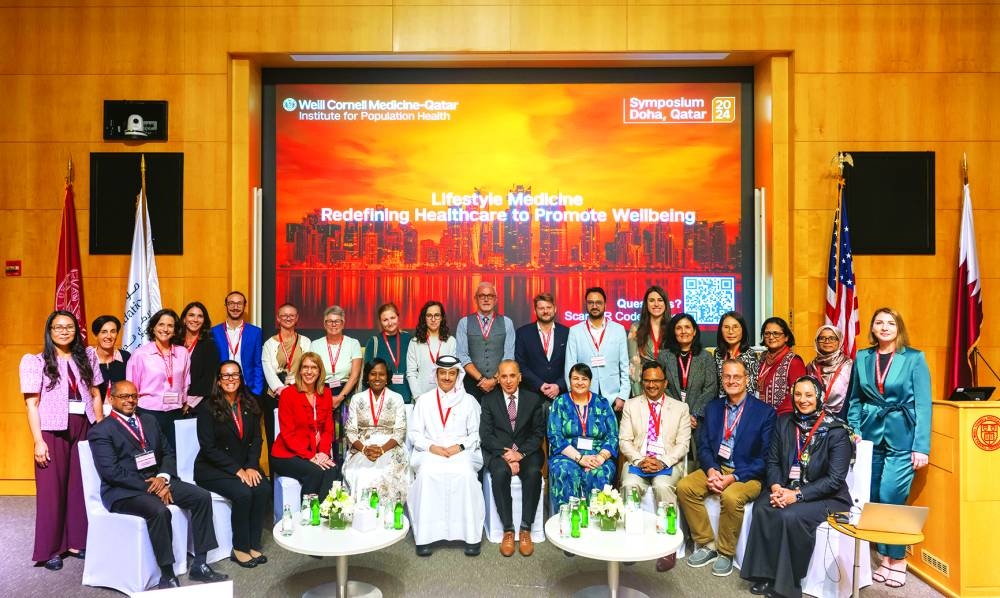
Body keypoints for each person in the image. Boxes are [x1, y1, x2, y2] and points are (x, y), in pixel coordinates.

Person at [88, 381, 227, 589]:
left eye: (134, 396)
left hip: (159, 480)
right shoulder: (101, 431)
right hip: (123, 491)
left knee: (201, 497)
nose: (130, 400)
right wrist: (151, 487)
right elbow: (112, 472)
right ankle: (167, 574)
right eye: (124, 396)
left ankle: (200, 564)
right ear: (111, 399)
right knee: (159, 511)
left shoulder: (149, 420)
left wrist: (163, 478)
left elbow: (168, 453)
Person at [741, 375, 855, 598]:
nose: (803, 400)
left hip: (826, 496)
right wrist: (775, 487)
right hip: (786, 487)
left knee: (789, 516)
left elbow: (834, 479)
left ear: (819, 397)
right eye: (798, 395)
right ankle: (764, 575)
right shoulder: (784, 422)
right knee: (763, 507)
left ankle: (787, 586)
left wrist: (797, 495)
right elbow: (772, 461)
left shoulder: (837, 431)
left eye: (809, 395)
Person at [847, 307, 931, 589]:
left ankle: (898, 559)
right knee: (873, 498)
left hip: (903, 438)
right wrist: (855, 429)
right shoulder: (862, 357)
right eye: (879, 322)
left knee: (892, 494)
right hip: (870, 437)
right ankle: (883, 556)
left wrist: (921, 447)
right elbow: (855, 399)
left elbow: (922, 405)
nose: (884, 327)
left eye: (890, 322)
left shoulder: (914, 358)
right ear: (871, 328)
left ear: (899, 327)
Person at [20, 310, 104, 570]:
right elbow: (31, 404)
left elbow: (96, 394)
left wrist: (99, 427)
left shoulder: (87, 356)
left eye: (69, 327)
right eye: (58, 327)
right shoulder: (35, 361)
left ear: (76, 330)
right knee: (51, 491)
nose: (64, 331)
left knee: (80, 485)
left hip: (83, 425)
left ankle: (77, 540)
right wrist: (38, 441)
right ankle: (51, 548)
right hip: (51, 429)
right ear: (50, 331)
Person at [676, 359, 775, 578]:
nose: (732, 381)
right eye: (727, 377)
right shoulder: (713, 408)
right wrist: (711, 470)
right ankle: (707, 544)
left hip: (748, 473)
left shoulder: (764, 412)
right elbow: (704, 446)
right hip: (718, 467)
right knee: (684, 487)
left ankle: (726, 553)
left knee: (730, 497)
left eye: (737, 377)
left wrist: (734, 477)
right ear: (722, 380)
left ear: (746, 380)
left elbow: (766, 458)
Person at [194, 361, 271, 569]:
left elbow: (257, 440)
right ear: (218, 381)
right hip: (212, 469)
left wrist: (252, 466)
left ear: (240, 378)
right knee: (244, 493)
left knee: (263, 488)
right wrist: (237, 470)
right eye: (226, 376)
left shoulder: (250, 403)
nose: (231, 379)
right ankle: (239, 548)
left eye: (235, 375)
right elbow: (208, 448)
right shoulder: (207, 408)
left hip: (245, 466)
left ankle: (253, 544)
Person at [407, 355, 485, 557]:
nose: (447, 378)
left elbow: (476, 434)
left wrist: (459, 446)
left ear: (458, 375)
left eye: (452, 373)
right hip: (430, 451)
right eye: (443, 373)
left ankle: (470, 536)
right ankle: (425, 537)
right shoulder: (424, 401)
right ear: (437, 375)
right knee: (426, 476)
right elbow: (415, 434)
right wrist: (432, 447)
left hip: (461, 452)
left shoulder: (469, 401)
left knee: (465, 475)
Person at [619, 361, 691, 572]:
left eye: (656, 381)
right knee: (630, 485)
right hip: (639, 461)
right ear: (642, 382)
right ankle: (631, 539)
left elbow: (683, 443)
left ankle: (668, 546)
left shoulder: (680, 408)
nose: (651, 385)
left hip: (667, 462)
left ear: (665, 382)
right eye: (647, 380)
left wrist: (663, 461)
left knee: (662, 486)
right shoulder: (632, 405)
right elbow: (624, 440)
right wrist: (641, 460)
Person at [479, 360, 546, 557]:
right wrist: (507, 455)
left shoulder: (533, 399)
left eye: (512, 376)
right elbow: (486, 434)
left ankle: (525, 529)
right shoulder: (489, 401)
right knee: (499, 473)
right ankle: (508, 530)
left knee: (534, 473)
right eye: (504, 376)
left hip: (528, 452)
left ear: (520, 377)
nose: (509, 381)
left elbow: (538, 433)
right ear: (498, 379)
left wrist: (520, 454)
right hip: (499, 452)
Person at [547, 363, 619, 514]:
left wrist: (600, 457)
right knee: (565, 471)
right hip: (566, 455)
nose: (580, 382)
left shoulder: (602, 403)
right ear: (569, 381)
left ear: (590, 382)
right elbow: (555, 436)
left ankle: (596, 521)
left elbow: (613, 435)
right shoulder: (560, 403)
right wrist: (579, 458)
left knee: (598, 473)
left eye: (584, 379)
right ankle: (568, 519)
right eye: (575, 378)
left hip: (597, 455)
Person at [271, 352, 339, 498]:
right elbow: (287, 434)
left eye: (314, 367)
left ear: (319, 371)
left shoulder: (326, 393)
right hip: (286, 454)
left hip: (314, 453)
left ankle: (323, 514)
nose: (309, 371)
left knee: (332, 469)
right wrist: (311, 457)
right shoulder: (288, 394)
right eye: (305, 367)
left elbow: (328, 429)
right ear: (300, 370)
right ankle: (308, 515)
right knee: (315, 471)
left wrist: (323, 453)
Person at [343, 358, 411, 501]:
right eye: (373, 374)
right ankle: (362, 515)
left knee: (386, 470)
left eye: (382, 374)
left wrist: (381, 450)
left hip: (390, 445)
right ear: (367, 377)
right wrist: (364, 450)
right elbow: (350, 431)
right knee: (362, 472)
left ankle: (388, 516)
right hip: (362, 445)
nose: (377, 378)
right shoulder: (357, 398)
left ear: (387, 377)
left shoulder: (397, 398)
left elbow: (399, 431)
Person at [126, 308, 191, 449]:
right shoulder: (140, 354)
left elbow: (186, 381)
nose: (165, 329)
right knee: (152, 453)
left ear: (175, 330)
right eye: (161, 324)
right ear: (153, 328)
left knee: (175, 453)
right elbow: (131, 386)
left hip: (175, 412)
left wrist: (184, 403)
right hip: (148, 413)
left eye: (170, 325)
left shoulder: (183, 353)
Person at [309, 305, 363, 463]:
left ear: (343, 323)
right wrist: (326, 397)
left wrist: (340, 398)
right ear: (324, 324)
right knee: (322, 431)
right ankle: (323, 466)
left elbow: (354, 376)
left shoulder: (353, 343)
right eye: (330, 321)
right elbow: (312, 372)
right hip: (321, 391)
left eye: (337, 321)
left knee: (343, 435)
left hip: (346, 392)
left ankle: (342, 470)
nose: (333, 324)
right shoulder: (315, 345)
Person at [565, 287, 630, 412]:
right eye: (590, 303)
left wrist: (623, 396)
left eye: (598, 303)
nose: (595, 306)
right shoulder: (575, 331)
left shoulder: (619, 329)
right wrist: (573, 395)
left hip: (613, 398)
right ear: (586, 305)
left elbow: (625, 366)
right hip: (583, 396)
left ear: (605, 305)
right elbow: (570, 366)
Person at [661, 313, 718, 440]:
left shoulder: (706, 357)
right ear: (673, 332)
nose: (683, 331)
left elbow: (710, 389)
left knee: (700, 455)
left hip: (698, 418)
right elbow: (661, 387)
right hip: (670, 415)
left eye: (687, 327)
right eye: (678, 328)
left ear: (694, 331)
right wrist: (680, 413)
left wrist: (694, 414)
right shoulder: (664, 356)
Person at [456, 282, 516, 400]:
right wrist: (481, 379)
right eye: (482, 296)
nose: (486, 299)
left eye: (490, 296)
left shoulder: (507, 322)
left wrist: (494, 380)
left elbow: (508, 356)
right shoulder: (464, 322)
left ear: (496, 299)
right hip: (471, 385)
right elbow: (462, 355)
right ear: (475, 299)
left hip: (499, 385)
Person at [261, 303, 310, 446]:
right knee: (275, 437)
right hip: (275, 397)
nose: (288, 318)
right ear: (278, 318)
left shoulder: (306, 342)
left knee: (298, 437)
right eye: (284, 315)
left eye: (291, 315)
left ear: (297, 318)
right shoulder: (269, 344)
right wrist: (281, 390)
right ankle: (275, 468)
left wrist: (294, 388)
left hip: (300, 395)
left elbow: (309, 368)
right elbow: (267, 368)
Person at [514, 292, 569, 404]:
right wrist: (540, 384)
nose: (545, 311)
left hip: (560, 395)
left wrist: (559, 385)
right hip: (531, 395)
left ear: (555, 309)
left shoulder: (567, 333)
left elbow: (571, 363)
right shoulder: (523, 333)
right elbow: (520, 364)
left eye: (549, 307)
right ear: (535, 311)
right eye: (541, 308)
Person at [210, 291, 264, 399]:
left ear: (244, 305)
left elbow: (258, 364)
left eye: (239, 303)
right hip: (222, 388)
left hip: (247, 389)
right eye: (231, 303)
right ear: (226, 305)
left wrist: (256, 391)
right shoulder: (214, 332)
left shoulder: (255, 332)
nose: (235, 307)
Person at [363, 302, 413, 404]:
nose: (390, 323)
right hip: (383, 400)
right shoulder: (374, 342)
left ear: (398, 317)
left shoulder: (408, 338)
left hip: (407, 398)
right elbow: (368, 374)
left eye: (392, 318)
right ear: (380, 322)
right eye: (385, 320)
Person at [406, 300, 457, 397]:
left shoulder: (451, 341)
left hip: (445, 397)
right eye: (429, 316)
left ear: (442, 318)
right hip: (421, 397)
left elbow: (453, 371)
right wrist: (418, 398)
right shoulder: (415, 342)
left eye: (437, 315)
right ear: (424, 318)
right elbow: (411, 373)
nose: (433, 319)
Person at [627, 285, 671, 397]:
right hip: (644, 387)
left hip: (669, 388)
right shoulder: (636, 328)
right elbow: (634, 364)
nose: (656, 304)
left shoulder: (674, 327)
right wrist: (637, 394)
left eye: (660, 300)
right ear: (646, 305)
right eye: (652, 300)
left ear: (665, 304)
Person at [176, 302, 219, 415]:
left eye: (200, 316)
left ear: (204, 321)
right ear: (184, 319)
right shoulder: (175, 342)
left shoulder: (209, 345)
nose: (195, 319)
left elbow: (209, 378)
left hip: (198, 405)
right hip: (173, 403)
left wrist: (189, 403)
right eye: (191, 315)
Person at [756, 317, 805, 415]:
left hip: (782, 419)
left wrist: (776, 416)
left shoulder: (794, 362)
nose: (771, 337)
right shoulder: (762, 358)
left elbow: (797, 394)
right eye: (767, 333)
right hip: (759, 417)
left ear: (786, 337)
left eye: (776, 333)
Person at [805, 325, 853, 416]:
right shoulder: (810, 366)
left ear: (839, 341)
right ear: (816, 342)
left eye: (832, 338)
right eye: (822, 338)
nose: (827, 341)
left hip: (843, 414)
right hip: (813, 415)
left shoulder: (849, 365)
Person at [714, 311, 760, 397]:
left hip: (744, 404)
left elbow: (751, 389)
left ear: (743, 329)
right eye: (726, 327)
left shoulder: (750, 354)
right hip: (721, 403)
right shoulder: (718, 353)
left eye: (735, 327)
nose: (731, 331)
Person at [89, 314, 130, 410]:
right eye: (104, 332)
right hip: (93, 413)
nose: (109, 336)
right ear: (96, 335)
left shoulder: (126, 357)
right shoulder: (87, 359)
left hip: (120, 413)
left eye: (113, 331)